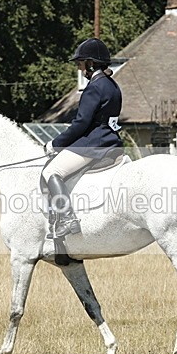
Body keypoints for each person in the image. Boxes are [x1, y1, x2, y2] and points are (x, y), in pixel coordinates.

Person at [42, 38, 123, 239]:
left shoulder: (94, 87)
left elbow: (81, 124)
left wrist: (56, 143)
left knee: (52, 170)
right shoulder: (112, 85)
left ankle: (67, 218)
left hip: (93, 144)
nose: (79, 69)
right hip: (112, 141)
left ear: (90, 63)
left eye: (80, 64)